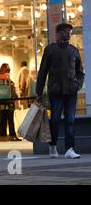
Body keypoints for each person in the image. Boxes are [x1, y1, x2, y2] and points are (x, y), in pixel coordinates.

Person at [36, 23, 84, 159]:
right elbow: (43, 72)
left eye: (70, 31)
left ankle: (69, 148)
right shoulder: (50, 50)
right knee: (55, 120)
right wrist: (39, 92)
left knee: (70, 120)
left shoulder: (74, 50)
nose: (68, 33)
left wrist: (77, 85)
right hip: (55, 92)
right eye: (65, 31)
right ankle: (53, 146)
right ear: (58, 33)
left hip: (71, 92)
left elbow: (80, 71)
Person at [0, 63, 21, 141]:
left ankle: (11, 136)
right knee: (4, 122)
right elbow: (3, 91)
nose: (8, 72)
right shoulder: (2, 79)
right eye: (7, 70)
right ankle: (4, 137)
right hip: (4, 104)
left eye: (9, 70)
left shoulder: (9, 80)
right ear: (3, 70)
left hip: (9, 104)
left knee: (10, 121)